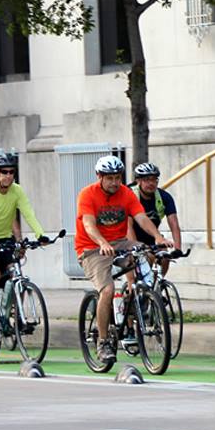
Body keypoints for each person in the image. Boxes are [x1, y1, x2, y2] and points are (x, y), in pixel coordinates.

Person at [75, 155, 172, 364]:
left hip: (119, 242)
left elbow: (141, 218)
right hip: (92, 247)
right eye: (109, 178)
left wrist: (158, 237)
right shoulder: (87, 194)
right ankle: (103, 342)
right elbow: (89, 225)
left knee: (146, 252)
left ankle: (138, 298)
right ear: (99, 177)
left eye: (117, 178)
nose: (114, 182)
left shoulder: (126, 193)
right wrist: (102, 242)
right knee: (107, 290)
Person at [0, 153, 47, 337]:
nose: (8, 176)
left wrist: (40, 234)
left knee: (16, 275)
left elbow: (28, 212)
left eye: (12, 172)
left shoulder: (17, 190)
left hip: (4, 237)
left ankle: (15, 316)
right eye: (4, 172)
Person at [130, 161, 182, 274]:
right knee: (147, 260)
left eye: (154, 180)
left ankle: (157, 285)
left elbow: (174, 224)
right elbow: (127, 226)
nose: (151, 183)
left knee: (165, 256)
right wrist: (135, 246)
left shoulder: (164, 197)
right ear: (138, 181)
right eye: (147, 180)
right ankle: (133, 288)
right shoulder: (130, 195)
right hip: (130, 237)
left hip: (152, 237)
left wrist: (178, 248)